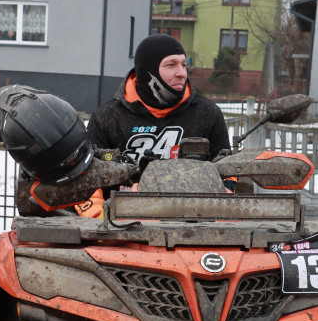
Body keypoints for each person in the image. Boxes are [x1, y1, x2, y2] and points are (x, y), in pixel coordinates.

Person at [77, 33, 230, 216]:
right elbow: (86, 177)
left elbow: (227, 173)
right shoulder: (107, 117)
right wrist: (101, 220)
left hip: (195, 223)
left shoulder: (207, 113)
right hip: (121, 227)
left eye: (183, 64)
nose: (181, 73)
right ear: (147, 70)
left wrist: (221, 211)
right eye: (171, 65)